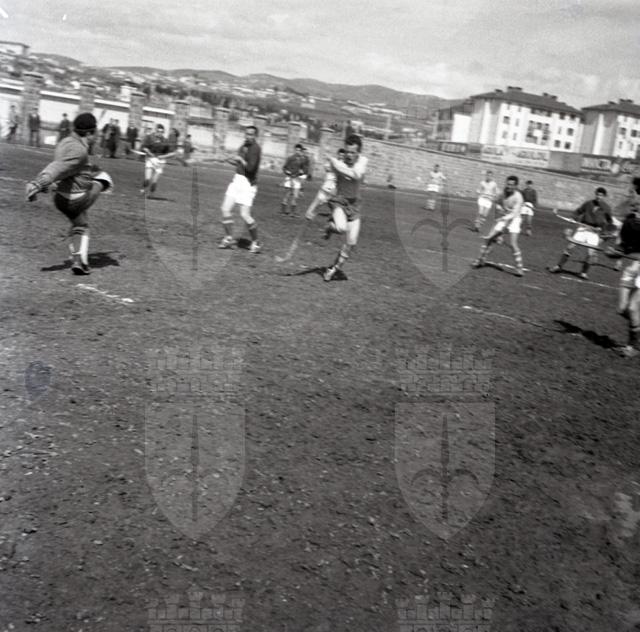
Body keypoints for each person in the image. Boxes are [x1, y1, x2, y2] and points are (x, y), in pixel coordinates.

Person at [24, 112, 113, 275]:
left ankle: (78, 260)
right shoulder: (79, 151)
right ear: (88, 133)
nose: (97, 136)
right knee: (104, 178)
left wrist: (43, 184)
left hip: (60, 198)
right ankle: (79, 260)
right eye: (95, 133)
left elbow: (63, 167)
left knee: (79, 222)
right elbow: (59, 168)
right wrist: (39, 183)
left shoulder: (64, 142)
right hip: (77, 199)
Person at [322, 134, 368, 282]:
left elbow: (356, 175)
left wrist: (335, 163)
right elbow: (327, 185)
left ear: (358, 153)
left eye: (353, 152)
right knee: (341, 228)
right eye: (347, 152)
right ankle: (330, 226)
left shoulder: (362, 162)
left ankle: (334, 268)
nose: (349, 155)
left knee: (351, 242)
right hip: (339, 202)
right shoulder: (337, 165)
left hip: (355, 205)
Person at [548, 187, 613, 280]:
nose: (599, 197)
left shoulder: (606, 208)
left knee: (591, 253)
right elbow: (578, 211)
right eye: (597, 195)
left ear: (604, 196)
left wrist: (602, 229)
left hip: (594, 232)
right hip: (583, 228)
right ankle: (559, 266)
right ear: (595, 194)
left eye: (601, 195)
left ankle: (583, 273)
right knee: (570, 247)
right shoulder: (588, 203)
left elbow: (610, 222)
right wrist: (573, 217)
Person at [218, 125, 262, 254]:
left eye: (251, 134)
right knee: (225, 208)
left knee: (245, 214)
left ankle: (256, 242)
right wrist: (227, 159)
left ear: (255, 136)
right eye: (247, 134)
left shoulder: (256, 149)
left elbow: (250, 169)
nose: (248, 136)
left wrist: (240, 159)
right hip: (237, 180)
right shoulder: (243, 146)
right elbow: (238, 163)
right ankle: (228, 238)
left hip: (247, 184)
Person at [472, 175, 525, 276]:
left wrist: (502, 230)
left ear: (516, 186)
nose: (509, 186)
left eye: (511, 185)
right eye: (508, 184)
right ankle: (480, 260)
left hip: (515, 219)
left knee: (513, 244)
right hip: (503, 217)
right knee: (488, 239)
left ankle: (519, 268)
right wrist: (498, 219)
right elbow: (497, 204)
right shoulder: (502, 193)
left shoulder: (518, 197)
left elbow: (514, 214)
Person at [616, 176, 640, 358]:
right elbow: (622, 248)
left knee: (632, 308)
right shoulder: (629, 221)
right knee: (622, 309)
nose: (630, 196)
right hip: (633, 266)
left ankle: (633, 346)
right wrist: (613, 251)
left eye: (633, 193)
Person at [304, 148, 346, 222]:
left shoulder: (343, 165)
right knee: (317, 200)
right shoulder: (333, 161)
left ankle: (336, 217)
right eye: (340, 155)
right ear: (338, 154)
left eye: (343, 155)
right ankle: (308, 214)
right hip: (326, 184)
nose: (341, 156)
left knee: (326, 202)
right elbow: (326, 168)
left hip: (334, 187)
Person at [139, 123, 176, 197]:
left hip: (160, 162)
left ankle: (151, 194)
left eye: (162, 132)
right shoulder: (150, 137)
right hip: (150, 159)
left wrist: (163, 156)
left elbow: (172, 153)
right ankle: (143, 189)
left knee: (154, 181)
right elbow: (144, 147)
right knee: (147, 179)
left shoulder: (165, 141)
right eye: (158, 131)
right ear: (155, 131)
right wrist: (149, 152)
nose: (160, 133)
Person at [281, 143, 309, 216]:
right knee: (287, 196)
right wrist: (287, 172)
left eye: (299, 150)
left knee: (295, 196)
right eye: (296, 150)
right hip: (289, 178)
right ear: (294, 150)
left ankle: (292, 213)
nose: (298, 152)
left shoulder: (302, 160)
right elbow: (284, 168)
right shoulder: (290, 158)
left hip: (296, 179)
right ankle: (283, 211)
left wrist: (302, 172)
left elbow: (304, 170)